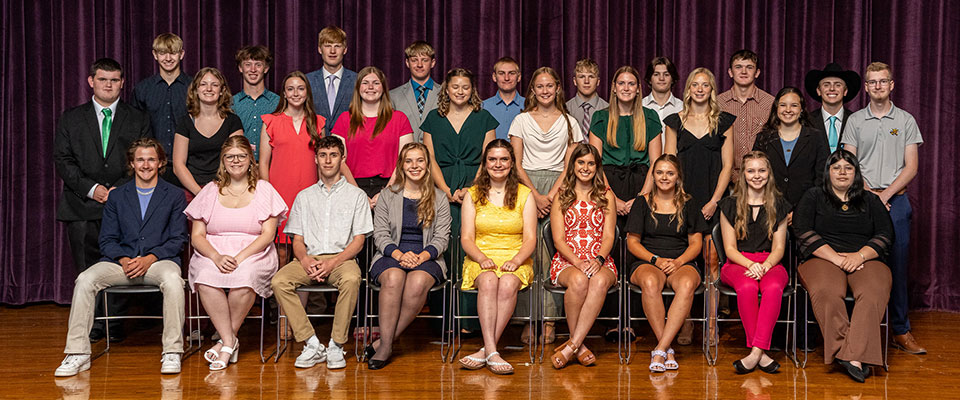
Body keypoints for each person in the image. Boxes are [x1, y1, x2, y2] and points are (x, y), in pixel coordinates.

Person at [55, 138, 187, 377]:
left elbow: (178, 239)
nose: (145, 165)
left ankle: (172, 351)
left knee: (174, 281)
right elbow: (107, 240)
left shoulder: (175, 195)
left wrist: (150, 258)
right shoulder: (117, 196)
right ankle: (77, 353)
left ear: (160, 163)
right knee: (85, 279)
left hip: (158, 262)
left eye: (151, 159)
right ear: (131, 163)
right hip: (121, 263)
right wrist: (125, 259)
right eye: (140, 160)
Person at [54, 58, 152, 343]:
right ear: (91, 81)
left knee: (122, 263)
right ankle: (93, 324)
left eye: (114, 80)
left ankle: (115, 322)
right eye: (102, 79)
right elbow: (63, 160)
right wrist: (92, 188)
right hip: (81, 205)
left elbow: (145, 159)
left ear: (122, 83)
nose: (108, 85)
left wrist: (117, 191)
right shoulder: (71, 117)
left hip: (125, 203)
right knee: (88, 269)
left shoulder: (138, 118)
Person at [843, 62, 925, 355]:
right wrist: (870, 194)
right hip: (862, 201)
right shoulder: (854, 122)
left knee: (897, 265)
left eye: (882, 81)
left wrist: (886, 194)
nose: (877, 86)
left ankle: (900, 330)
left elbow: (912, 166)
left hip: (896, 201)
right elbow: (849, 165)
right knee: (861, 263)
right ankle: (860, 329)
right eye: (872, 82)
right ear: (865, 87)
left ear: (892, 85)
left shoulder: (904, 121)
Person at [185, 136, 287, 370]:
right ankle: (230, 341)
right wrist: (216, 257)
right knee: (205, 275)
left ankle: (224, 341)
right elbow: (197, 236)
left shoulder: (264, 189)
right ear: (223, 161)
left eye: (241, 156)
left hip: (253, 252)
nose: (236, 161)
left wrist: (240, 257)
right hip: (214, 251)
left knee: (245, 276)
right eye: (230, 157)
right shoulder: (210, 190)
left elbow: (268, 234)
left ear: (250, 159)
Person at [270, 136, 373, 370]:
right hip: (310, 258)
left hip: (342, 258)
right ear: (316, 159)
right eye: (323, 155)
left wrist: (333, 263)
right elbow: (297, 239)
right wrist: (305, 260)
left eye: (333, 155)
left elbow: (358, 242)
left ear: (342, 158)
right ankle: (312, 343)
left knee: (351, 279)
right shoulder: (304, 197)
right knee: (279, 281)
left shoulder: (356, 196)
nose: (328, 160)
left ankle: (336, 344)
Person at [794, 150, 894, 383]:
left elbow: (886, 234)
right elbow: (803, 231)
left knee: (872, 293)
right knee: (828, 292)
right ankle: (851, 353)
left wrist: (859, 256)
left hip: (865, 259)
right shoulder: (813, 196)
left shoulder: (871, 200)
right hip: (822, 258)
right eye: (836, 167)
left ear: (856, 173)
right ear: (827, 172)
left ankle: (851, 356)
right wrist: (838, 259)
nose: (842, 172)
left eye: (848, 168)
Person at [509, 66, 583, 345]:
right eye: (539, 86)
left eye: (549, 86)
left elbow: (571, 164)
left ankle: (550, 321)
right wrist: (535, 196)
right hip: (526, 186)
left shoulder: (569, 122)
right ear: (532, 90)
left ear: (557, 89)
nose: (544, 91)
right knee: (529, 252)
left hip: (560, 188)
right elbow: (515, 163)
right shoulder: (520, 121)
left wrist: (551, 194)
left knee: (554, 253)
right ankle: (529, 319)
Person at [588, 65, 662, 342]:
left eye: (632, 83)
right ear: (614, 87)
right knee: (610, 249)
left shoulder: (650, 117)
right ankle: (610, 319)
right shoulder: (600, 117)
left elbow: (656, 162)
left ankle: (632, 320)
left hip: (643, 186)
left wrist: (640, 198)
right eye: (622, 83)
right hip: (608, 185)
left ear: (638, 88)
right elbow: (593, 162)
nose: (627, 88)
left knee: (634, 249)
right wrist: (613, 197)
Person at [421, 68, 498, 334]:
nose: (460, 91)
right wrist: (444, 189)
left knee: (472, 246)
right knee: (443, 248)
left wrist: (471, 188)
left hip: (476, 187)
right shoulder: (433, 118)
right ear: (447, 90)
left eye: (465, 87)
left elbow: (487, 158)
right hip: (440, 187)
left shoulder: (484, 117)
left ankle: (471, 320)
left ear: (472, 90)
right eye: (455, 87)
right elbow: (428, 158)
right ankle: (444, 319)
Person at [364, 143, 452, 369]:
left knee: (417, 282)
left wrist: (421, 257)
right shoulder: (387, 196)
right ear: (401, 166)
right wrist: (400, 255)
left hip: (427, 257)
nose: (415, 166)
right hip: (391, 252)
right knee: (393, 278)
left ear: (427, 164)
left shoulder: (439, 198)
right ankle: (385, 346)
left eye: (420, 160)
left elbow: (442, 238)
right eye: (409, 161)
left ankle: (384, 342)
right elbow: (380, 234)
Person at [457, 139, 537, 375]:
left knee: (509, 283)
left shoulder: (525, 194)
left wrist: (517, 259)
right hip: (480, 256)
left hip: (516, 256)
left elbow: (530, 238)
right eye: (492, 159)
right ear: (485, 163)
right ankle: (493, 350)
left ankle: (486, 351)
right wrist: (481, 258)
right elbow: (466, 238)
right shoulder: (472, 195)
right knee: (490, 280)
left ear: (512, 164)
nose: (498, 164)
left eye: (504, 159)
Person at [625, 154, 707, 372]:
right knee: (650, 282)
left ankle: (660, 349)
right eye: (659, 172)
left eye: (669, 173)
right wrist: (656, 259)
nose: (664, 177)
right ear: (653, 175)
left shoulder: (689, 203)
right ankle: (666, 348)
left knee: (688, 285)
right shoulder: (642, 202)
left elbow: (696, 243)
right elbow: (632, 242)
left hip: (681, 261)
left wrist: (678, 262)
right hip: (648, 260)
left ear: (678, 176)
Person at [718, 151, 791, 374]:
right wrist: (751, 265)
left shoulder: (779, 204)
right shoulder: (729, 205)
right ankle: (761, 353)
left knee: (773, 287)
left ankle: (755, 353)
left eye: (761, 170)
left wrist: (766, 266)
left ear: (769, 174)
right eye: (751, 171)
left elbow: (779, 248)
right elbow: (729, 249)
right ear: (743, 175)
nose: (756, 176)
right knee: (748, 287)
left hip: (770, 262)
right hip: (738, 263)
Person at [547, 144, 618, 368]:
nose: (585, 168)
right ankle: (580, 345)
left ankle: (572, 345)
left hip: (600, 258)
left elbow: (609, 236)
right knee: (578, 280)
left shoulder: (607, 196)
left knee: (597, 282)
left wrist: (597, 260)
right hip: (568, 259)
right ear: (573, 165)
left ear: (597, 167)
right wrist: (578, 262)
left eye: (590, 163)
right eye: (581, 162)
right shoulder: (561, 195)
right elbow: (558, 239)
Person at [259, 71, 325, 273]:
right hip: (279, 193)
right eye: (290, 89)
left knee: (308, 248)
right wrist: (269, 195)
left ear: (307, 92)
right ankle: (277, 303)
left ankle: (309, 302)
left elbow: (323, 162)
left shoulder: (318, 122)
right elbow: (263, 163)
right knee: (280, 250)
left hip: (310, 194)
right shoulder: (270, 121)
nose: (296, 93)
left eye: (300, 88)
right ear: (284, 94)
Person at [332, 66, 414, 206]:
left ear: (383, 88)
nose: (370, 87)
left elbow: (406, 160)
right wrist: (357, 192)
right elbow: (338, 160)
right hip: (352, 188)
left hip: (391, 187)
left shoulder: (400, 119)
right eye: (365, 83)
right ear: (358, 88)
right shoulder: (344, 119)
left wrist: (386, 192)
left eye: (376, 83)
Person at [752, 87, 830, 209]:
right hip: (769, 209)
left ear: (802, 109)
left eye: (794, 105)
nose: (788, 110)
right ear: (776, 108)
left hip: (808, 209)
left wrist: (801, 210)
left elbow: (822, 178)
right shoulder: (763, 138)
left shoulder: (816, 137)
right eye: (783, 105)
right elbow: (755, 175)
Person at [172, 67, 244, 196]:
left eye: (214, 85)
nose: (209, 89)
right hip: (193, 189)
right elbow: (178, 165)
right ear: (196, 90)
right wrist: (200, 194)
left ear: (222, 91)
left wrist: (221, 191)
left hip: (225, 187)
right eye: (203, 84)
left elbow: (236, 159)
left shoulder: (233, 121)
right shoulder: (185, 122)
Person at [718, 49, 775, 175]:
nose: (743, 71)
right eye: (738, 67)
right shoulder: (718, 104)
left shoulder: (771, 103)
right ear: (730, 72)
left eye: (749, 67)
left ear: (757, 73)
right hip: (726, 178)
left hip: (761, 177)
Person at [133, 33, 190, 158]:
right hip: (153, 162)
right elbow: (135, 130)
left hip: (189, 161)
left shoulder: (194, 87)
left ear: (181, 54)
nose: (168, 58)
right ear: (155, 55)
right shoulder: (142, 89)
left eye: (173, 53)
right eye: (163, 53)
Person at [306, 25, 357, 135]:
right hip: (314, 145)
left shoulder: (357, 80)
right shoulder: (307, 81)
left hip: (349, 146)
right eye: (328, 46)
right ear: (320, 49)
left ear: (345, 50)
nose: (332, 51)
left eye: (337, 46)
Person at [233, 45, 280, 158]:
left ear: (266, 68)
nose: (253, 70)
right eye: (248, 65)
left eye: (258, 65)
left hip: (272, 167)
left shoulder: (279, 103)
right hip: (239, 167)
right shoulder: (231, 103)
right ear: (240, 68)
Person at [804, 63, 862, 153]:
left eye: (838, 85)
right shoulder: (807, 122)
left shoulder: (856, 121)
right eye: (826, 85)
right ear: (818, 91)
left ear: (845, 91)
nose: (832, 88)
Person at [389, 41, 439, 143]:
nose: (419, 65)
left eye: (425, 60)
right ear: (407, 63)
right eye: (414, 60)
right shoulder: (393, 96)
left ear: (433, 63)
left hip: (437, 156)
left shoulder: (445, 94)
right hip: (405, 156)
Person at [642, 57, 683, 148]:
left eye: (666, 74)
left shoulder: (682, 108)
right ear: (649, 79)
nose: (661, 78)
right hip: (646, 161)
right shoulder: (640, 106)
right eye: (656, 74)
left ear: (672, 79)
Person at [566, 58, 608, 143]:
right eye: (581, 77)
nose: (586, 81)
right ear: (574, 81)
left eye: (591, 77)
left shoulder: (608, 109)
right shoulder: (565, 109)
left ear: (598, 81)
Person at [482, 57, 525, 140]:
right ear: (494, 77)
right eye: (501, 73)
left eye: (511, 73)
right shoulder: (483, 107)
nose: (506, 78)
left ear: (519, 77)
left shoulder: (530, 106)